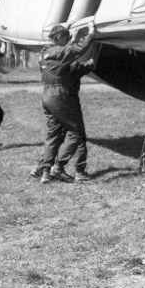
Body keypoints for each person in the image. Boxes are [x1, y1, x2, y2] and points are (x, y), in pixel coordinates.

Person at [30, 22, 96, 185]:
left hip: (46, 94)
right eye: (65, 38)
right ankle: (59, 167)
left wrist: (71, 37)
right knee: (76, 132)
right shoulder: (57, 53)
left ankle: (45, 171)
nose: (67, 41)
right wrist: (91, 33)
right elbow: (77, 49)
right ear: (59, 37)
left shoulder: (43, 53)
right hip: (59, 95)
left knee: (53, 133)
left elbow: (66, 50)